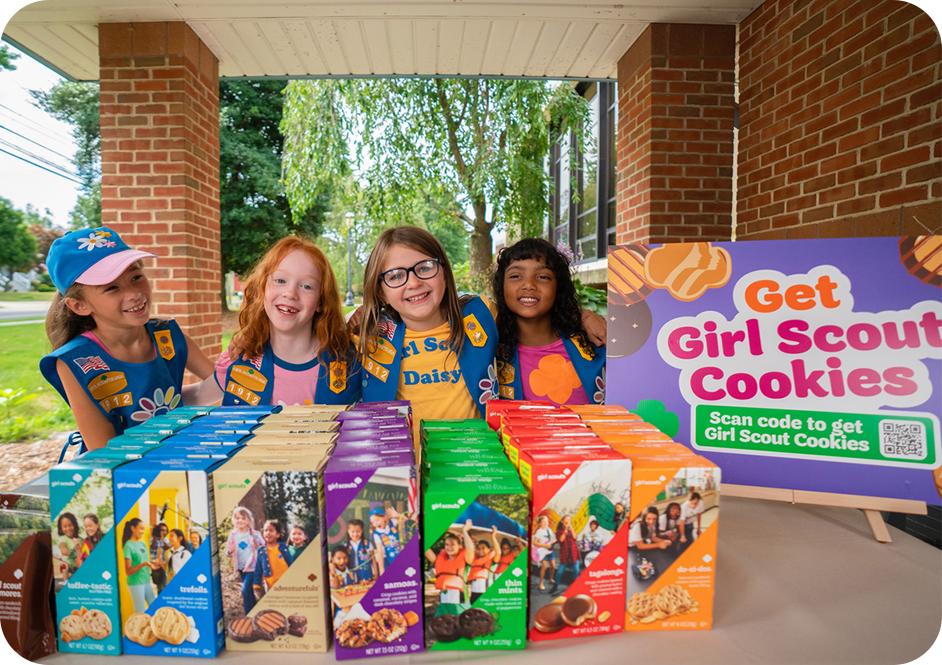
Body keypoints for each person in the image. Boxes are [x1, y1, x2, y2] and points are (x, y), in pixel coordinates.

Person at [40, 226, 214, 453]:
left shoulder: (167, 336)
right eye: (112, 288)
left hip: (178, 456)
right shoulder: (76, 361)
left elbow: (220, 385)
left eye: (136, 277)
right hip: (121, 474)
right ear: (79, 305)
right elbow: (103, 451)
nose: (134, 293)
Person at [184, 236, 360, 407]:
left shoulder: (348, 364)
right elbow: (199, 394)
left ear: (321, 301)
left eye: (307, 286)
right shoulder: (242, 356)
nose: (290, 293)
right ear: (262, 288)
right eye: (280, 280)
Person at [493, 238, 605, 404]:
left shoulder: (593, 344)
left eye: (543, 277)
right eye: (515, 276)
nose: (529, 285)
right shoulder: (489, 350)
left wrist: (585, 316)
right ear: (502, 286)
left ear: (558, 287)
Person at [226, 506, 264, 614]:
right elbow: (228, 551)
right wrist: (230, 551)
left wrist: (257, 545)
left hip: (253, 566)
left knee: (245, 590)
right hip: (241, 567)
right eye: (237, 518)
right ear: (234, 520)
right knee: (249, 592)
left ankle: (249, 615)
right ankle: (255, 612)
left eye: (243, 518)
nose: (240, 520)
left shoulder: (254, 534)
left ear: (248, 520)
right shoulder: (233, 535)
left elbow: (263, 548)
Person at [424, 530, 473, 606]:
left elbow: (470, 548)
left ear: (459, 546)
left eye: (452, 544)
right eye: (447, 544)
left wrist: (464, 531)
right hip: (443, 596)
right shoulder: (439, 559)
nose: (449, 547)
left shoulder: (466, 559)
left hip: (458, 599)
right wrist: (448, 530)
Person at [122, 518, 157, 612]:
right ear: (133, 528)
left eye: (143, 529)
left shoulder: (142, 543)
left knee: (155, 607)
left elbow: (145, 560)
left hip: (146, 581)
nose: (143, 531)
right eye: (141, 528)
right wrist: (143, 564)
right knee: (140, 611)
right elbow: (128, 571)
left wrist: (153, 563)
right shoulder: (128, 546)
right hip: (136, 583)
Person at [253, 520, 292, 598]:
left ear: (277, 534)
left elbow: (290, 562)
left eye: (271, 530)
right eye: (266, 530)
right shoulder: (261, 551)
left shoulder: (283, 548)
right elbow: (258, 569)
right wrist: (256, 585)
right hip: (269, 585)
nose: (268, 533)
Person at [467, 522, 500, 603]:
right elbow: (469, 547)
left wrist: (493, 536)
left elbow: (498, 552)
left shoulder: (492, 560)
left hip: (486, 591)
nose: (480, 550)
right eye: (479, 548)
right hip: (474, 592)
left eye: (483, 548)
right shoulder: (474, 559)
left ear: (489, 549)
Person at [370, 505, 405, 575]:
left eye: (377, 520)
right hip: (389, 561)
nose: (375, 523)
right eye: (373, 522)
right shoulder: (376, 534)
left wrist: (397, 515)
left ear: (385, 517)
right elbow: (380, 553)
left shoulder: (392, 523)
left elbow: (408, 522)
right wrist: (382, 571)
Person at [551, 515, 580, 594]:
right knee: (560, 571)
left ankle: (575, 587)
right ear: (562, 522)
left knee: (576, 570)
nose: (568, 521)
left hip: (574, 553)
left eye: (569, 520)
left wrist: (571, 529)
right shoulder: (559, 531)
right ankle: (555, 586)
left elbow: (575, 538)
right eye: (566, 520)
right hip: (565, 553)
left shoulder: (571, 529)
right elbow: (561, 540)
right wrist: (565, 531)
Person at [531, 514, 556, 592]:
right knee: (544, 567)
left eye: (547, 521)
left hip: (550, 551)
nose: (546, 522)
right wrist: (545, 545)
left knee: (553, 566)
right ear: (540, 523)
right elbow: (535, 543)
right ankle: (541, 583)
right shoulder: (539, 532)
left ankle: (551, 578)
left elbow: (554, 539)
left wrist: (552, 542)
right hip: (542, 552)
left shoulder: (549, 530)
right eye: (544, 521)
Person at [54, 512, 82, 578]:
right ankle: (66, 580)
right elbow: (63, 549)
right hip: (68, 567)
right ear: (61, 528)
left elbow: (83, 555)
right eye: (65, 526)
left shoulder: (80, 540)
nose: (68, 528)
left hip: (78, 566)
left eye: (70, 525)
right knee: (64, 566)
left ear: (75, 525)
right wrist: (67, 551)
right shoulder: (63, 539)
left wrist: (78, 549)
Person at [149, 522, 169, 593]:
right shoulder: (153, 539)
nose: (164, 532)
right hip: (155, 566)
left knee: (162, 586)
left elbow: (168, 547)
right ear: (158, 530)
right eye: (162, 530)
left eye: (166, 530)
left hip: (163, 565)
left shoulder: (166, 539)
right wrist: (157, 538)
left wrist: (162, 539)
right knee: (158, 585)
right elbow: (153, 547)